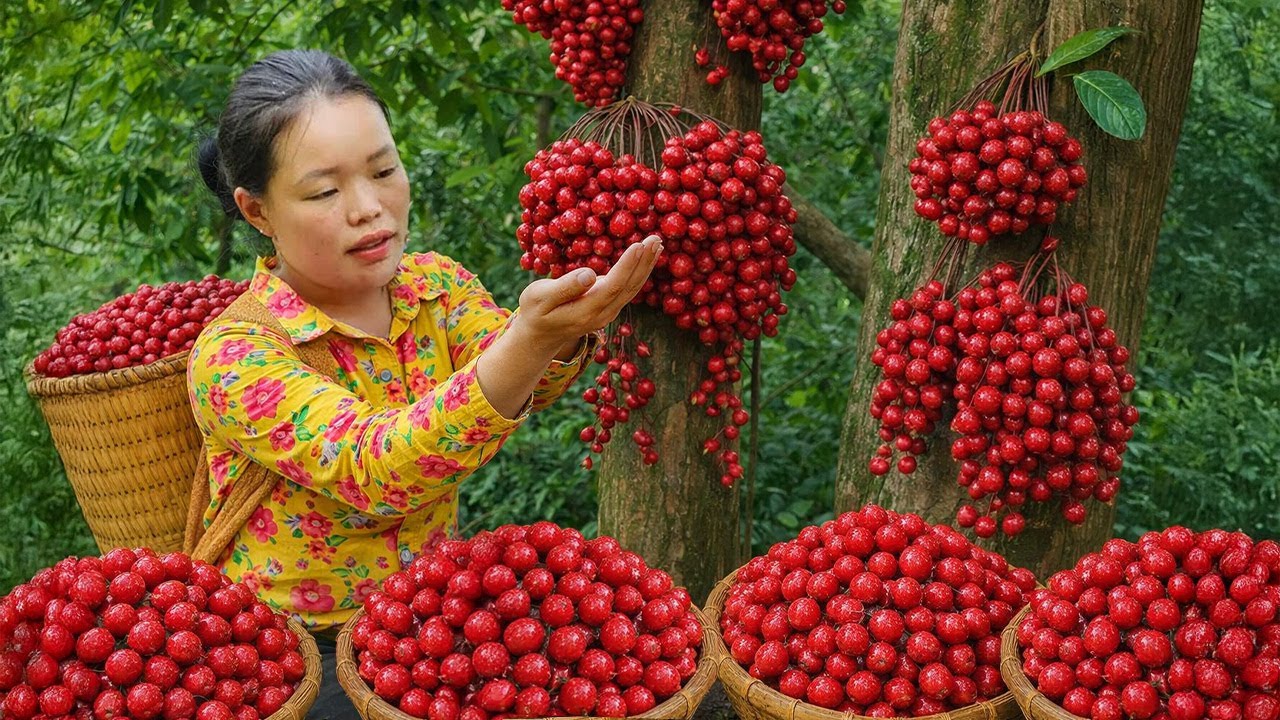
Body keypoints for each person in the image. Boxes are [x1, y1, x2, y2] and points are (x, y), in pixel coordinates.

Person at [190, 49, 660, 717]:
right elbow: (378, 468)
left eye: (384, 171)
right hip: (293, 657)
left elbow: (518, 379)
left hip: (430, 623)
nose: (368, 208)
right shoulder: (236, 356)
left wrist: (557, 330)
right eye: (324, 192)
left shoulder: (436, 287)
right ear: (257, 211)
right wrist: (530, 339)